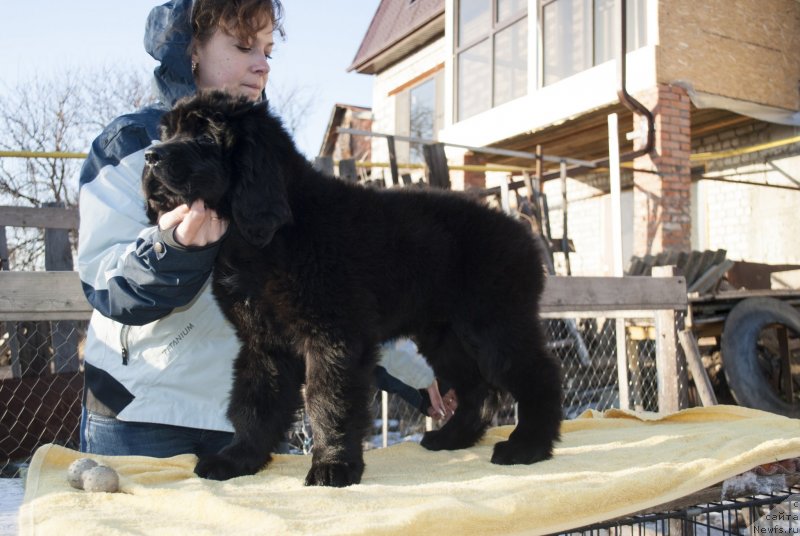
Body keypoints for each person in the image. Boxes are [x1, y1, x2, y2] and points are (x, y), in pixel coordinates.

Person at [77, 0, 453, 458]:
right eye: (242, 45)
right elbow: (105, 281)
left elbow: (333, 295)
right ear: (191, 48)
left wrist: (420, 374)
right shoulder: (133, 146)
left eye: (268, 51)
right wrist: (174, 249)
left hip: (250, 419)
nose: (261, 65)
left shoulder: (268, 161)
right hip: (144, 413)